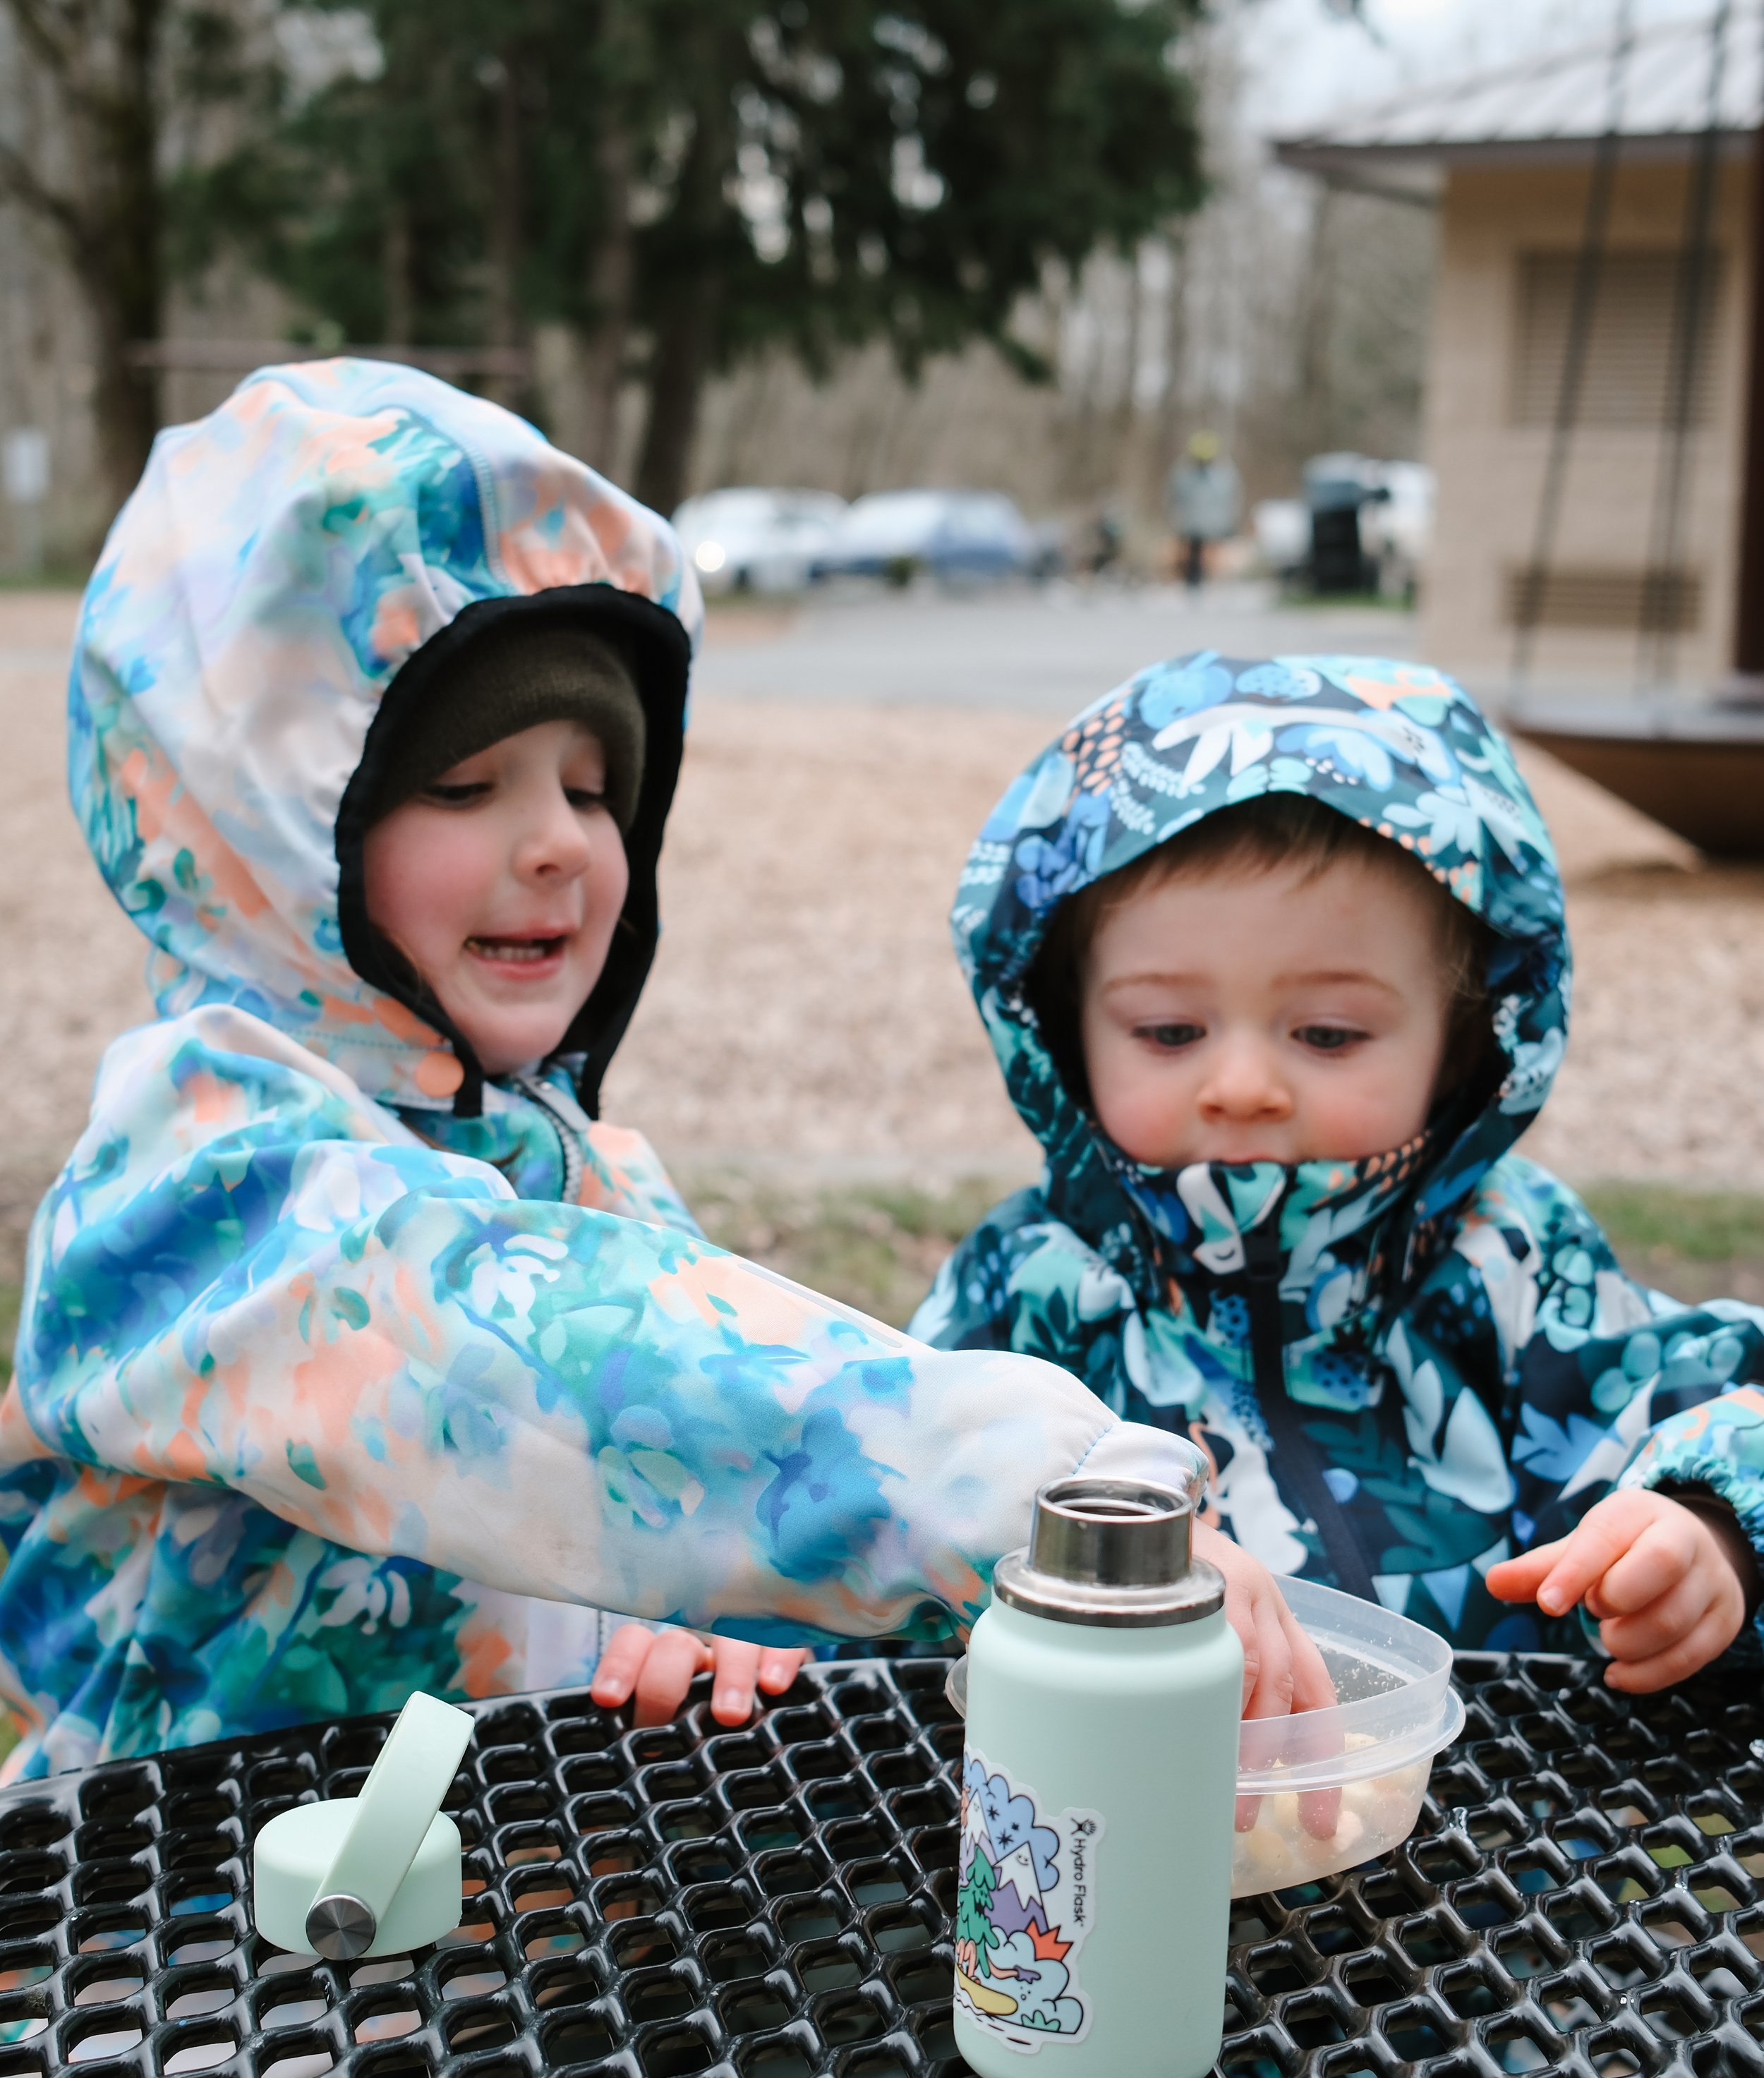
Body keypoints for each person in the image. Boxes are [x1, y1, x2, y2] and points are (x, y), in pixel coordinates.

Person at [0, 360, 1220, 1779]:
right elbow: (518, 1361)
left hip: (497, 1870)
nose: (559, 844)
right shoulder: (199, 1187)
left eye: (591, 787)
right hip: (186, 1885)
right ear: (265, 833)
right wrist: (1028, 1480)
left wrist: (724, 1625)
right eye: (464, 786)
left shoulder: (566, 1161)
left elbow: (689, 1477)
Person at [911, 651, 1764, 1691]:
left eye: (1327, 1033)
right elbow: (884, 1497)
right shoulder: (1023, 1288)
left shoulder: (1514, 1258)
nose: (1242, 1085)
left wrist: (1707, 1527)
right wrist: (768, 1629)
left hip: (1489, 1787)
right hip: (1118, 1787)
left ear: (1464, 1041)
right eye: (1170, 1029)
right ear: (1062, 1031)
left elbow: (1705, 1401)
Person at [1167, 432, 1243, 592]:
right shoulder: (1185, 476)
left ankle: (1216, 584)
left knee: (1211, 555)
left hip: (1212, 526)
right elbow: (1175, 498)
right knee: (1194, 555)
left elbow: (1230, 499)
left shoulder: (1221, 476)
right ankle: (1195, 583)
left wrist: (1228, 522)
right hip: (1193, 526)